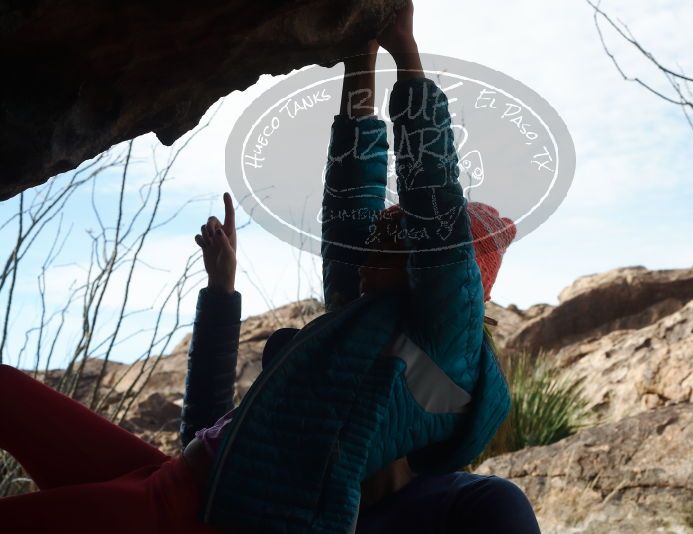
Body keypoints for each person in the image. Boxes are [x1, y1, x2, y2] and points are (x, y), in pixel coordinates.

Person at [0, 2, 537, 532]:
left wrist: (408, 58)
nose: (371, 242)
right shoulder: (365, 324)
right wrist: (360, 59)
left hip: (188, 510)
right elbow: (352, 198)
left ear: (430, 272)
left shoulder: (444, 358)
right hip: (172, 477)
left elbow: (434, 207)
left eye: (392, 240)